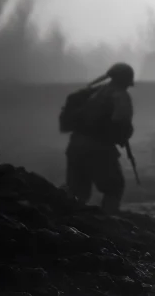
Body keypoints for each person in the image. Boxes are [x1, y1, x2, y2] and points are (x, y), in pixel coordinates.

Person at [65, 62, 135, 214]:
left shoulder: (97, 93)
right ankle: (107, 224)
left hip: (76, 145)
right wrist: (123, 135)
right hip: (98, 148)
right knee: (114, 187)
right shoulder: (119, 95)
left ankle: (69, 224)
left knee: (77, 192)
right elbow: (121, 124)